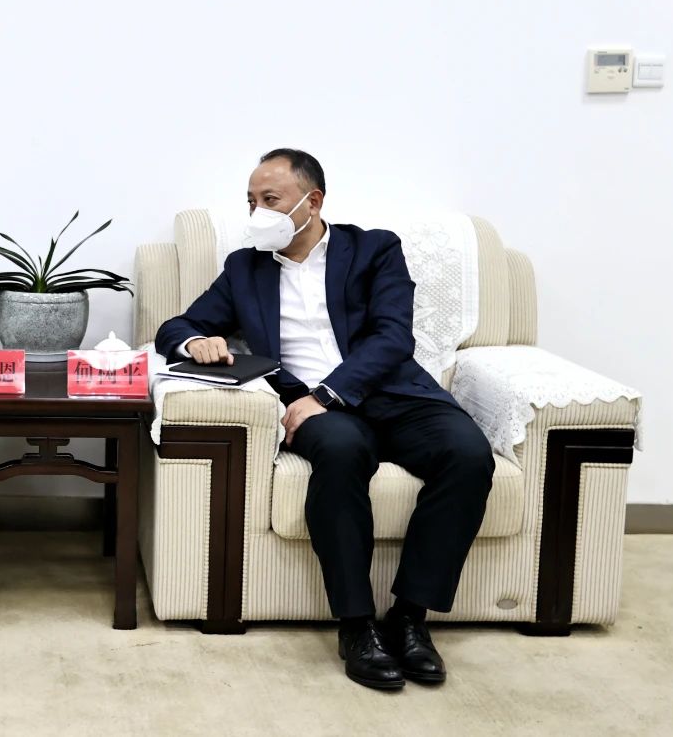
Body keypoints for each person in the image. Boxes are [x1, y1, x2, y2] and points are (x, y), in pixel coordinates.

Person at [156, 149, 493, 690]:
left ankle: (410, 618)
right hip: (306, 405)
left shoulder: (374, 249)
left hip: (392, 392)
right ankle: (356, 625)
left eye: (270, 200)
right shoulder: (245, 268)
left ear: (311, 202)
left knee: (469, 455)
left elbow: (392, 336)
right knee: (340, 451)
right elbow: (175, 326)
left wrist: (330, 393)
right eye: (251, 202)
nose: (257, 212)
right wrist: (196, 340)